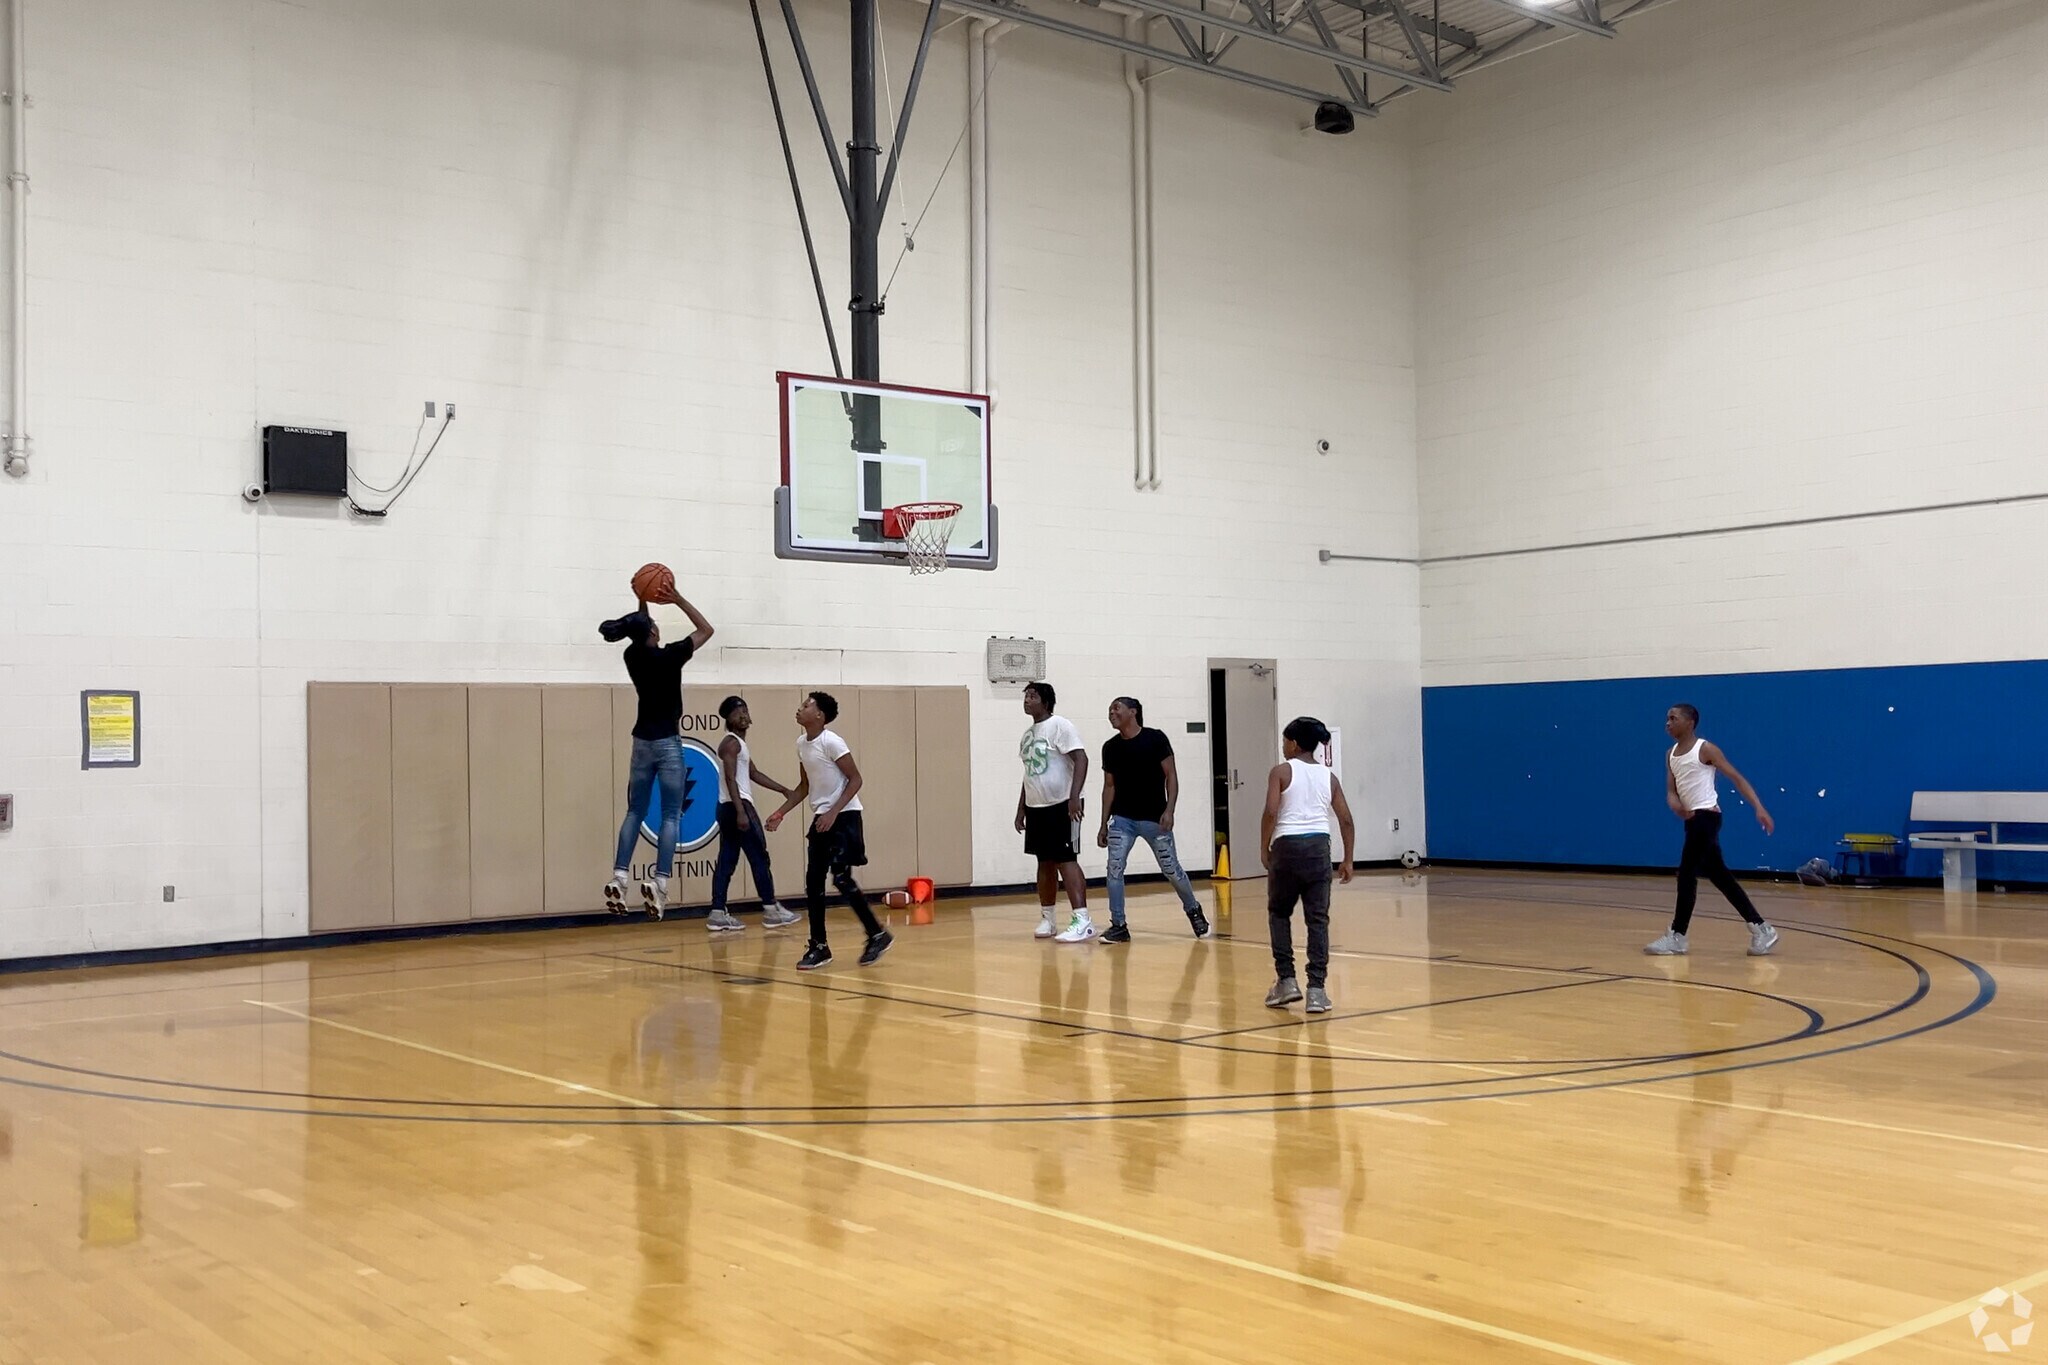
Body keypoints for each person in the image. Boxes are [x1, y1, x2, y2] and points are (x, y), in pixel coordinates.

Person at [599, 585, 714, 919]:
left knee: (634, 811)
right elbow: (706, 629)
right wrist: (677, 599)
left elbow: (639, 628)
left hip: (641, 743)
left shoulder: (631, 656)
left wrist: (643, 597)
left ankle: (620, 877)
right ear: (653, 632)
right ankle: (660, 883)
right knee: (670, 815)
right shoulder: (671, 656)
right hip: (666, 743)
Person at [766, 692, 893, 971]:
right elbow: (805, 786)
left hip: (844, 816)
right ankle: (819, 946)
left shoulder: (832, 742)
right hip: (822, 818)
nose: (799, 708)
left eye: (806, 705)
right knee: (813, 883)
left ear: (819, 715)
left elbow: (855, 779)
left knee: (842, 879)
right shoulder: (801, 744)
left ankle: (877, 934)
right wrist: (781, 812)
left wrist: (833, 812)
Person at [1646, 704, 1779, 957]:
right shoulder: (1670, 754)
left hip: (1707, 818)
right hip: (1692, 820)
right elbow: (1671, 791)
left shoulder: (1705, 749)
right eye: (1667, 719)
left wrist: (1758, 807)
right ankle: (1762, 928)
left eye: (1673, 718)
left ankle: (1678, 935)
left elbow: (1736, 778)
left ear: (1690, 722)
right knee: (1720, 876)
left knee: (1687, 872)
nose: (1668, 723)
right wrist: (1675, 805)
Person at [1260, 716, 1355, 1014]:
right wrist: (1348, 859)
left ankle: (1287, 981)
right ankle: (1317, 990)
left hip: (1287, 848)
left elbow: (1271, 812)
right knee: (1317, 919)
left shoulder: (1281, 772)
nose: (1283, 746)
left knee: (1279, 913)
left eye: (1284, 741)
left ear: (1294, 743)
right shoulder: (1329, 777)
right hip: (1318, 849)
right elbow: (1346, 820)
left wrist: (1264, 847)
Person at [1095, 696, 1209, 942]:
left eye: (1116, 708)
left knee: (1171, 870)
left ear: (1133, 712)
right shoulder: (1110, 747)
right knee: (1114, 869)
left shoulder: (1155, 738)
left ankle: (1193, 909)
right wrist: (1103, 823)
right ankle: (1118, 925)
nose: (1111, 713)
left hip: (1154, 818)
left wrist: (1170, 810)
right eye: (1109, 709)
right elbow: (1109, 786)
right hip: (1122, 819)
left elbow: (1171, 776)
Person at [706, 696, 801, 932]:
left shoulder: (739, 744)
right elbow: (730, 779)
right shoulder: (731, 743)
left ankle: (717, 913)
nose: (743, 715)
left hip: (728, 807)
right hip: (737, 806)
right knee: (759, 856)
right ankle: (771, 910)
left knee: (727, 860)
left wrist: (783, 789)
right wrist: (741, 812)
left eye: (745, 711)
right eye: (737, 712)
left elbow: (754, 773)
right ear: (728, 718)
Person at [1016, 681, 1092, 942]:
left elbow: (1081, 759)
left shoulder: (1060, 725)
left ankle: (1082, 919)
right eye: (1026, 696)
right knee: (1044, 862)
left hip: (1063, 805)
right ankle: (1048, 919)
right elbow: (1029, 773)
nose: (1027, 700)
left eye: (1033, 696)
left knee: (1066, 859)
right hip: (1037, 807)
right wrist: (1021, 808)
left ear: (1046, 702)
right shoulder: (1028, 734)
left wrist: (1074, 797)